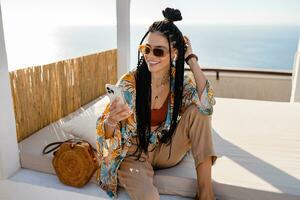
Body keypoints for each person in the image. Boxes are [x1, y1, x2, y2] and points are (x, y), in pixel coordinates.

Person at [96, 7, 218, 200]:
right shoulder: (129, 83)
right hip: (134, 153)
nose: (150, 56)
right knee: (148, 197)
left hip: (167, 149)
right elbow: (106, 136)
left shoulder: (180, 83)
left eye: (159, 51)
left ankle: (205, 193)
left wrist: (191, 59)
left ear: (174, 53)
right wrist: (111, 121)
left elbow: (207, 105)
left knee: (199, 112)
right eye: (147, 49)